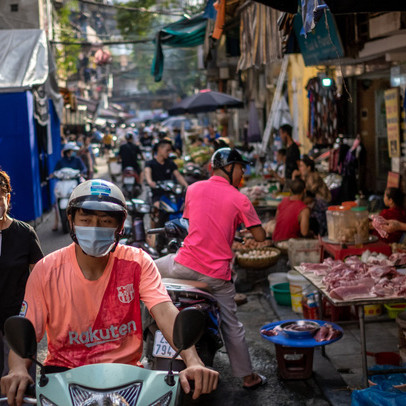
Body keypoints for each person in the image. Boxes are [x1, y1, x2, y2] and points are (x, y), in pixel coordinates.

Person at [0, 180, 218, 406]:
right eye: (86, 220)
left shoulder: (138, 261)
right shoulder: (47, 270)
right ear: (71, 222)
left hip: (127, 378)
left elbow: (164, 311)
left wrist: (193, 362)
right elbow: (26, 330)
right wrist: (17, 369)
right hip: (65, 377)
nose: (95, 228)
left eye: (105, 221)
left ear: (120, 226)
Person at [155, 148, 268, 390]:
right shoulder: (240, 198)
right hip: (216, 278)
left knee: (147, 270)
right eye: (240, 168)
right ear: (229, 168)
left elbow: (191, 221)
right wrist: (246, 227)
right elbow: (260, 236)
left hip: (181, 267)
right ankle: (248, 377)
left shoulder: (193, 189)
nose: (242, 174)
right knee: (231, 324)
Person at [0, 170, 43, 378]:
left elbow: (40, 277)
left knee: (20, 380)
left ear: (7, 198)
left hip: (17, 319)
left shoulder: (24, 233)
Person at [52, 142, 87, 232]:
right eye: (73, 150)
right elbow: (55, 171)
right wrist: (53, 175)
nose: (74, 152)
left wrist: (82, 172)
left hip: (74, 182)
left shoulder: (77, 160)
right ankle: (56, 223)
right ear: (68, 151)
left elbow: (83, 169)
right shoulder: (61, 161)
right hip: (63, 183)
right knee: (56, 200)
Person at [292, 155, 331, 235]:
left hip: (322, 207)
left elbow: (310, 196)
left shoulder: (313, 177)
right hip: (316, 205)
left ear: (309, 168)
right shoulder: (307, 177)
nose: (300, 168)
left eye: (302, 166)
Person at [144, 139, 188, 207]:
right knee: (158, 206)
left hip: (171, 192)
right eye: (167, 150)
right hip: (157, 193)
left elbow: (178, 176)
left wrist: (186, 186)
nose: (169, 152)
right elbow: (147, 172)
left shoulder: (170, 163)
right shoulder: (150, 163)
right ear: (160, 149)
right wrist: (150, 182)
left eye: (170, 150)